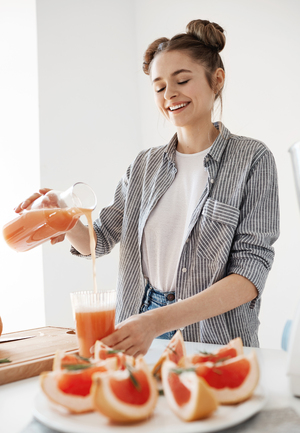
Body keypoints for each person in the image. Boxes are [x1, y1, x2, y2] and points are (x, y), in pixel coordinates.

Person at [15, 19, 280, 357]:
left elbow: (250, 273)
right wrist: (63, 216)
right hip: (138, 324)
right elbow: (98, 242)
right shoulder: (144, 166)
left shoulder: (252, 159)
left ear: (217, 80)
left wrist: (158, 320)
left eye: (182, 80)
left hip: (213, 336)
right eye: (159, 87)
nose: (169, 94)